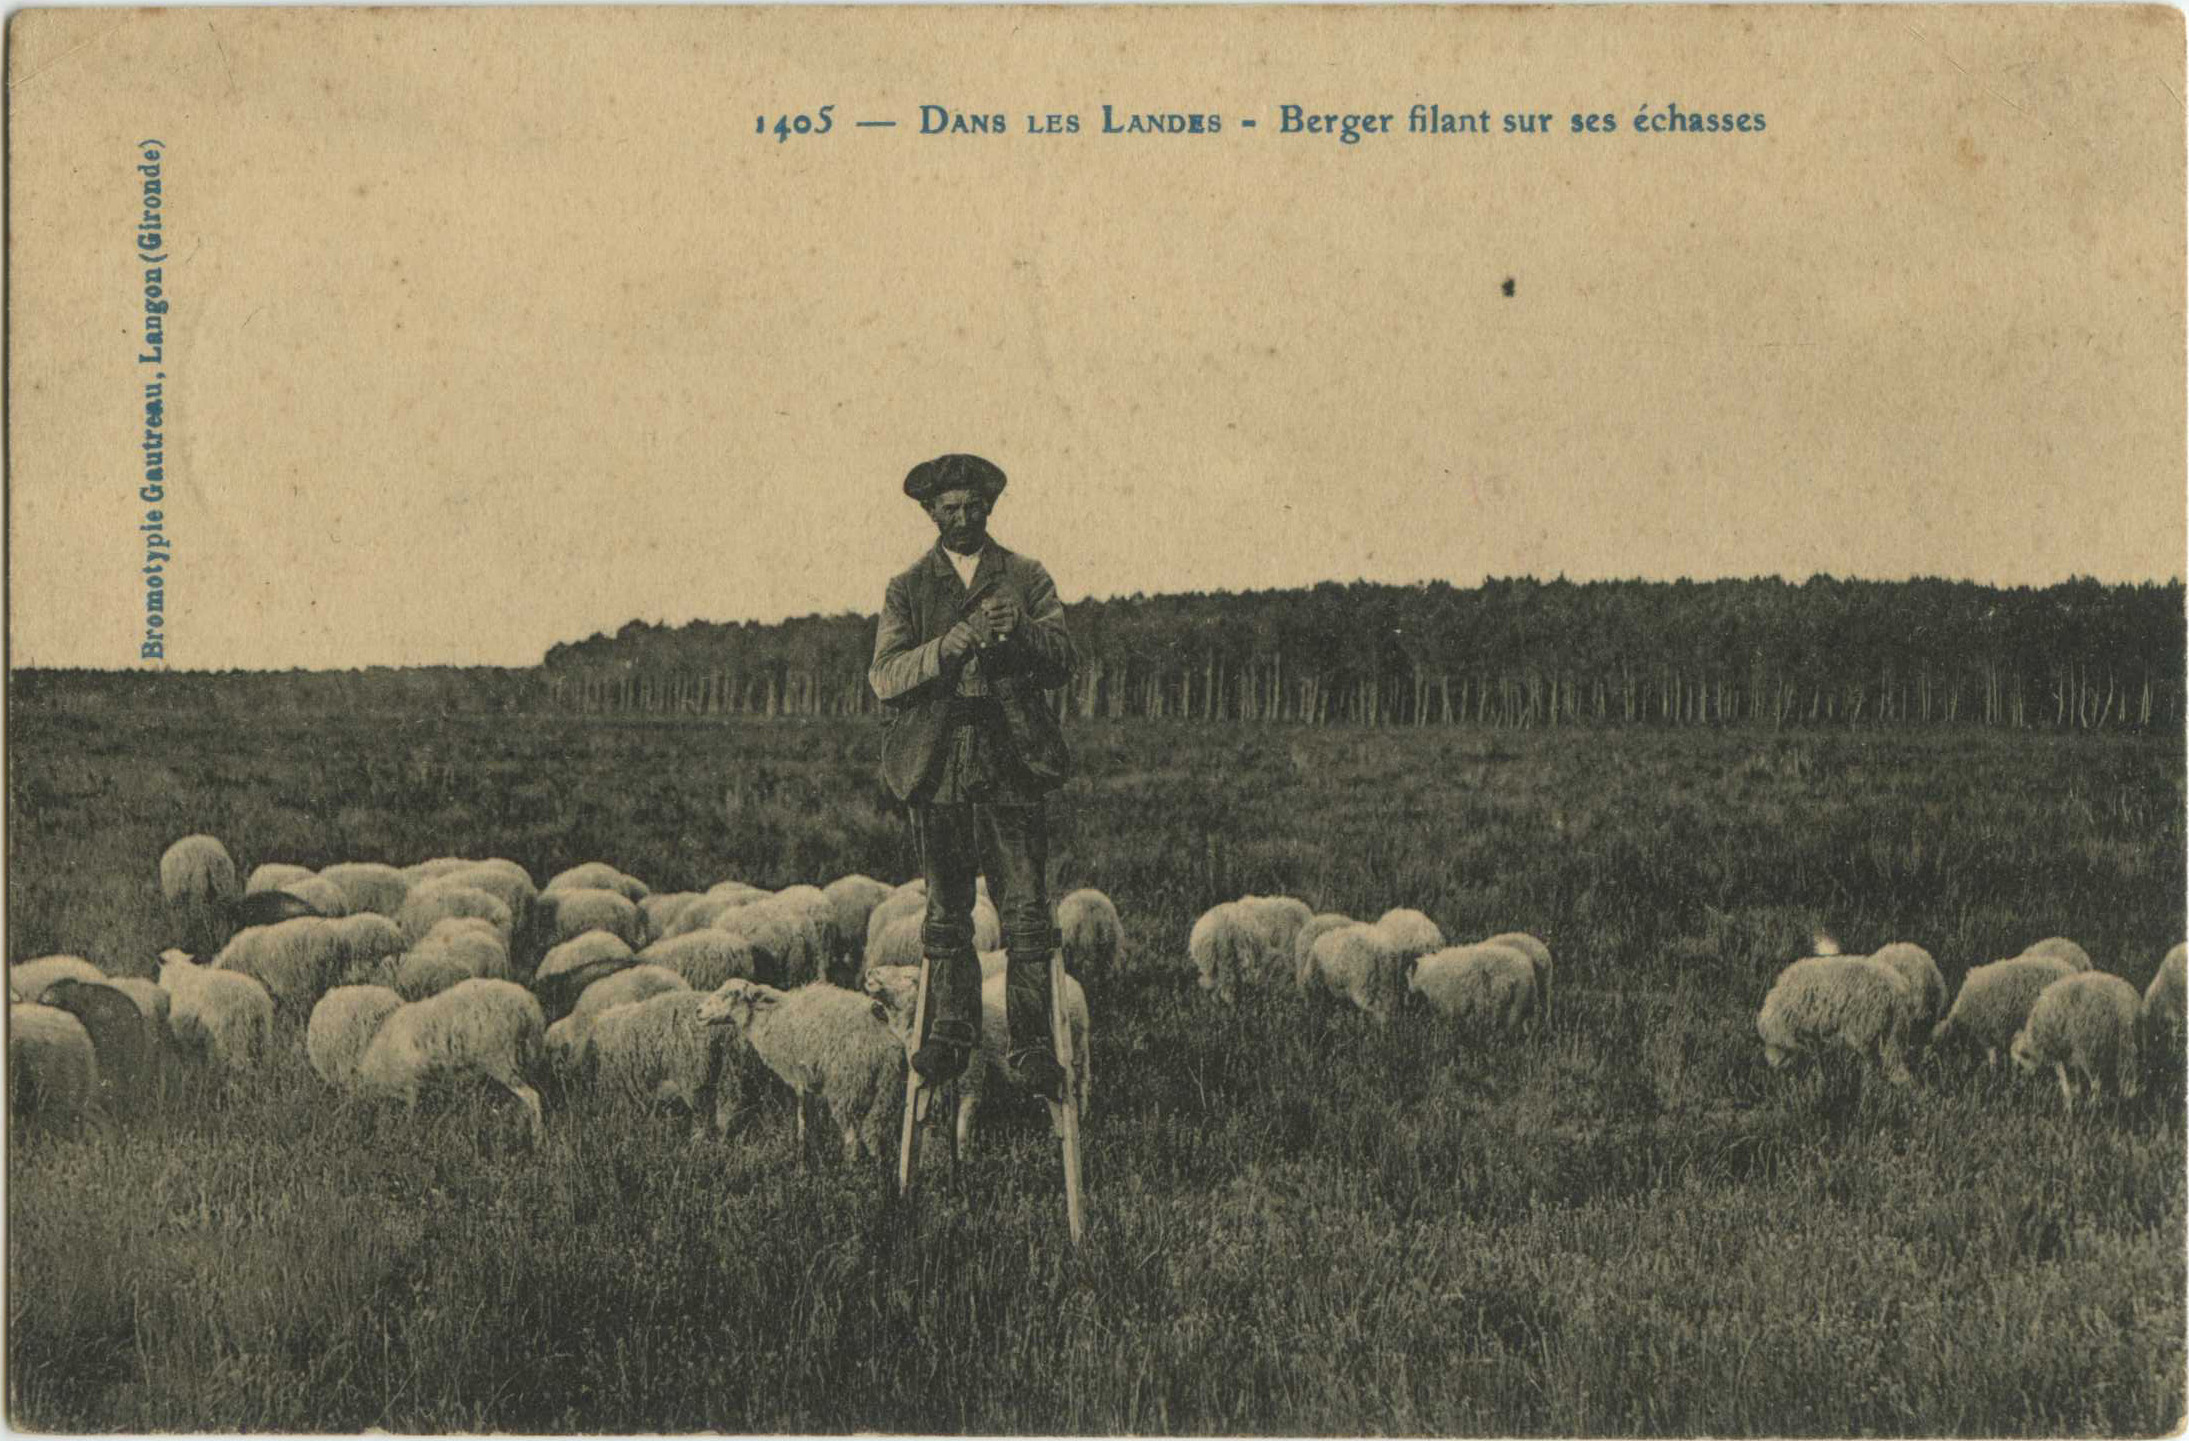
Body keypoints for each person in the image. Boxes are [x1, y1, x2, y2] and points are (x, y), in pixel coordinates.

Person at [869, 453, 1077, 1099]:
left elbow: (1065, 658)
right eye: (948, 508)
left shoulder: (1025, 575)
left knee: (1024, 913)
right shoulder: (907, 587)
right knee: (945, 912)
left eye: (972, 507)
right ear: (930, 512)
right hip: (938, 764)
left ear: (989, 508)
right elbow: (886, 677)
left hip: (1011, 758)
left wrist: (1021, 637)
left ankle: (1031, 1042)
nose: (961, 518)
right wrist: (950, 644)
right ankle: (951, 1032)